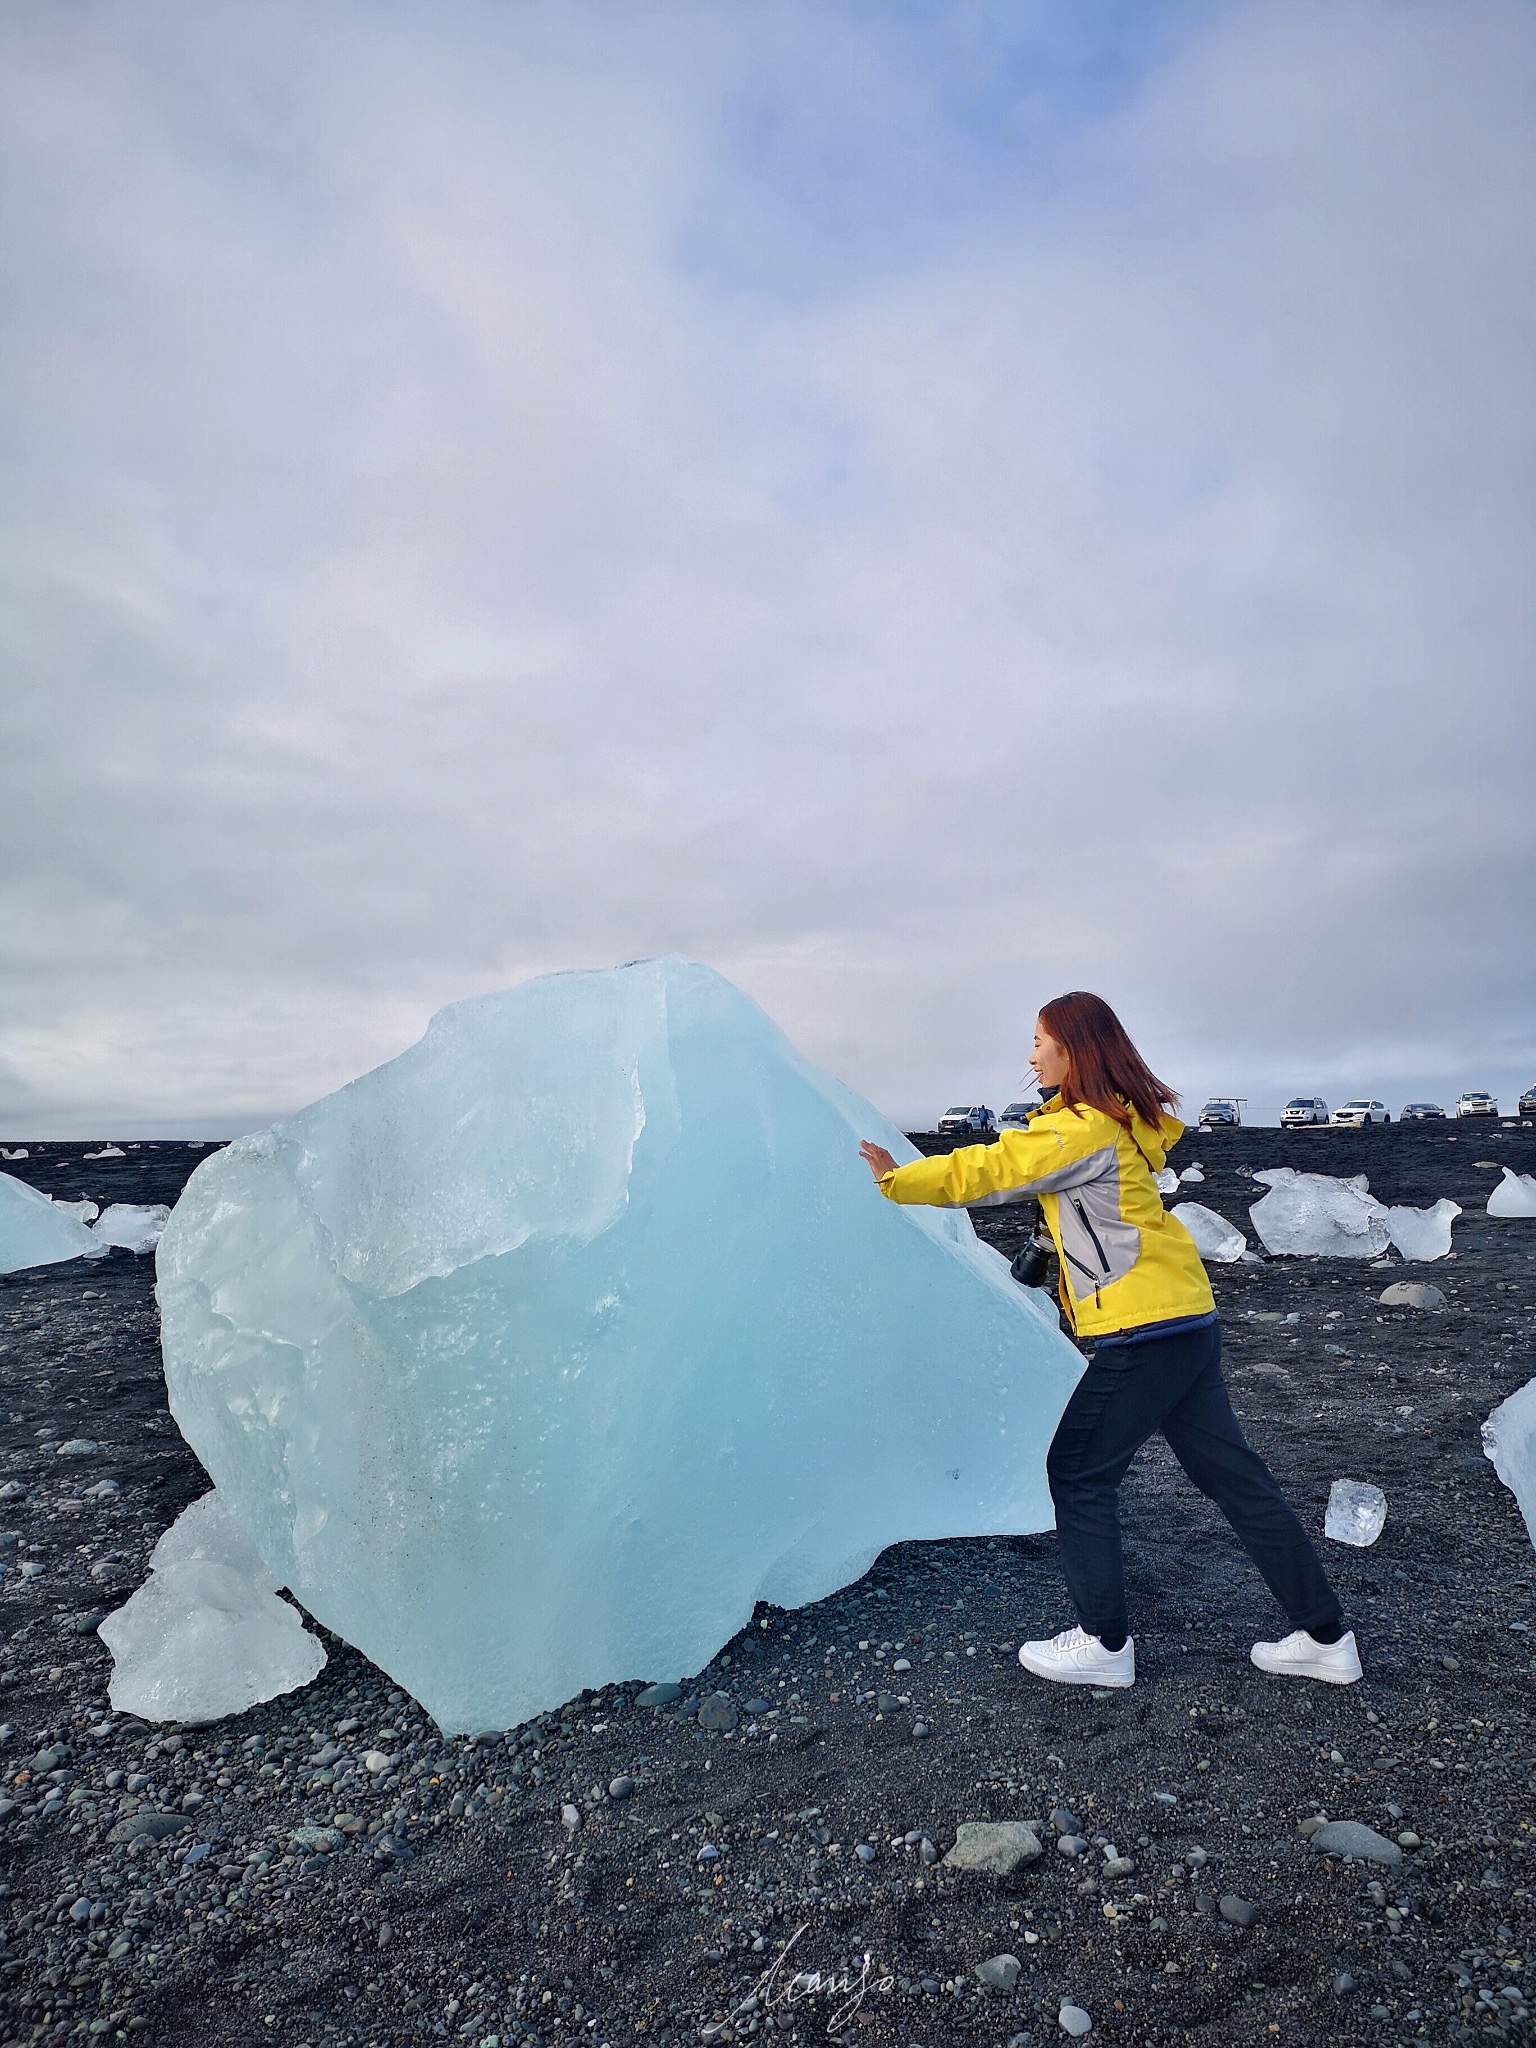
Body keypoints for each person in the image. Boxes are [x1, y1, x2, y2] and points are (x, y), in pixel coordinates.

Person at [858, 991, 1359, 1691]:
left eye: (1038, 1041)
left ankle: (1103, 1644)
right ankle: (1327, 1637)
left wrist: (894, 1180)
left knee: (1078, 1473)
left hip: (1145, 1328)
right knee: (1234, 1480)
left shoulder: (1080, 1128)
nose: (1030, 1055)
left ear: (1073, 1048)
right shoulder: (1110, 1122)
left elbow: (990, 1170)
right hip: (1184, 1317)